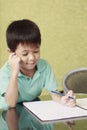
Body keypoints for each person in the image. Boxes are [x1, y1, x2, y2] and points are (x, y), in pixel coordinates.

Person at [0, 19, 76, 109]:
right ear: (12, 52)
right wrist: (14, 73)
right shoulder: (5, 71)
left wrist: (63, 100)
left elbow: (54, 93)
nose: (32, 58)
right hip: (8, 113)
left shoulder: (44, 66)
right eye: (25, 54)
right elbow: (11, 103)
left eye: (36, 51)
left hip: (32, 109)